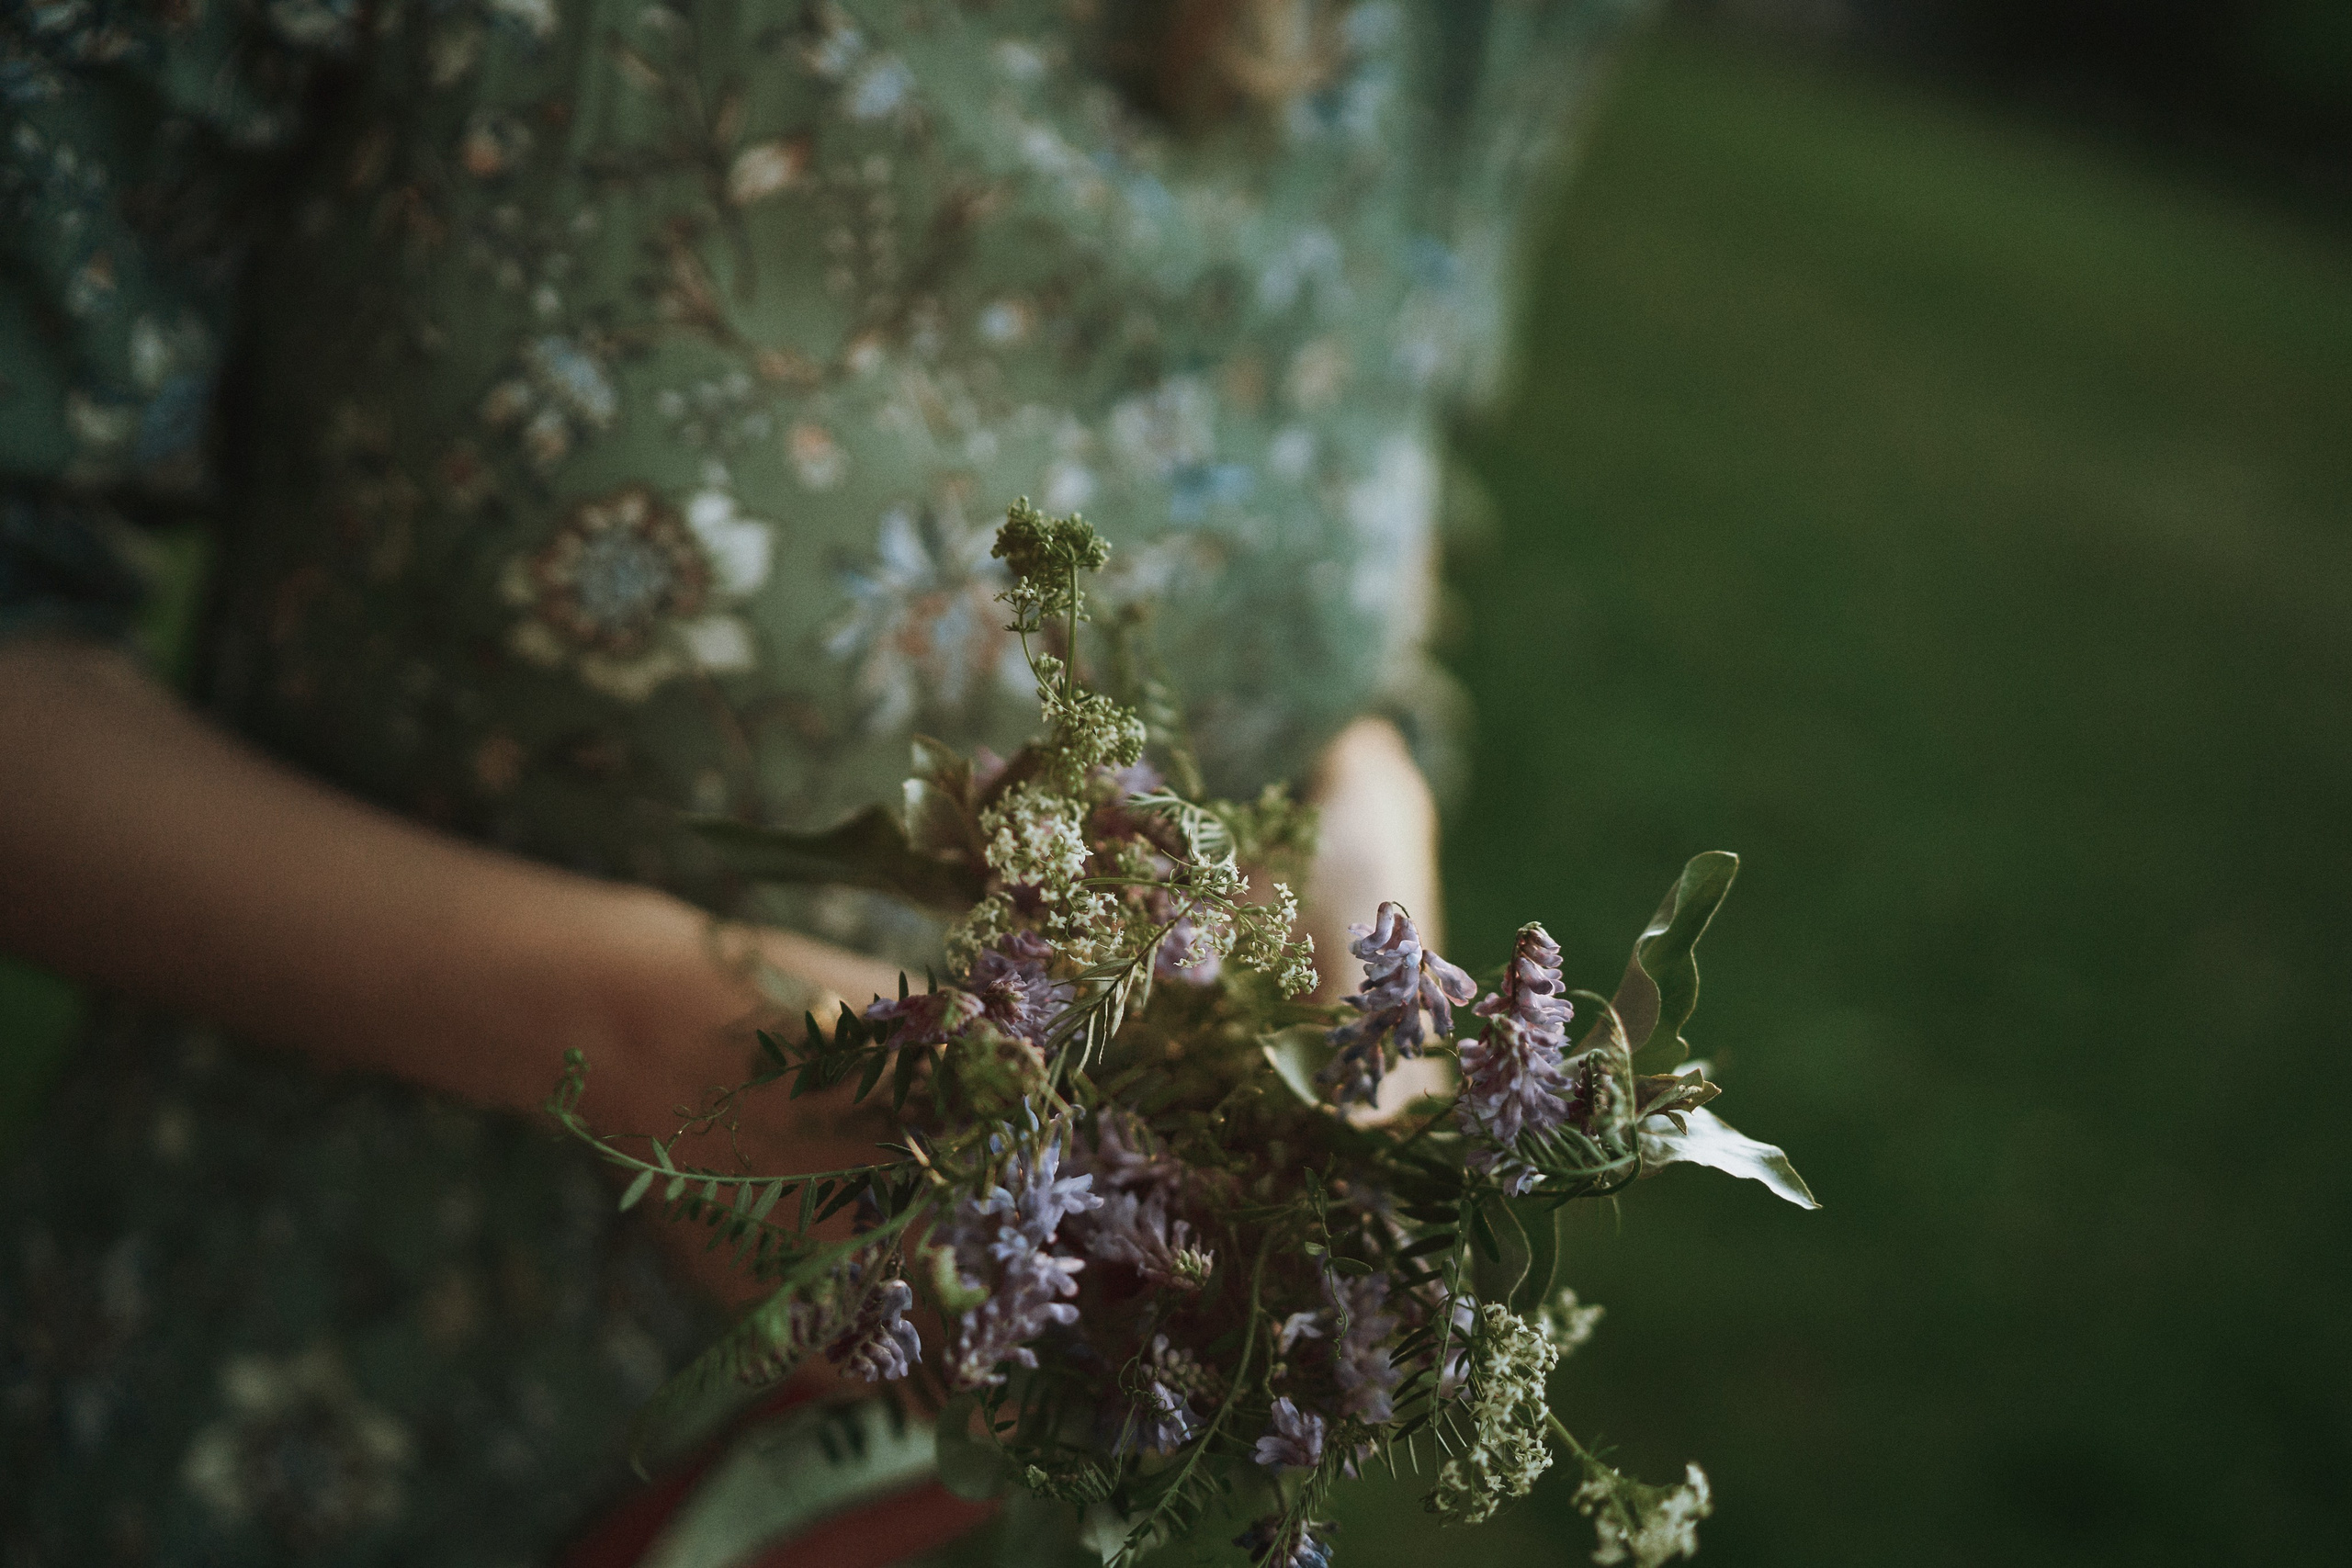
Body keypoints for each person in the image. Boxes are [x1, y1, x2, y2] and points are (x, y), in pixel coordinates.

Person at [0, 3, 1621, 1563]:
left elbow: (1375, 586)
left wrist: (1368, 869)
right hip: (306, 1384)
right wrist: (653, 1040)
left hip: (979, 1489)